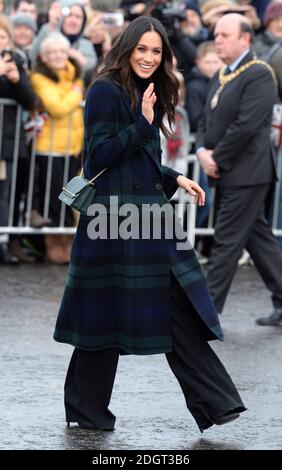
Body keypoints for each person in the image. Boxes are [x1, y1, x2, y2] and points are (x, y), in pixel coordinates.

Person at [53, 15, 246, 432]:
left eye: (156, 51)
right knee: (101, 319)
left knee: (176, 304)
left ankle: (216, 402)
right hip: (113, 221)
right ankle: (87, 412)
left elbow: (140, 161)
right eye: (142, 49)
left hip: (147, 218)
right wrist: (141, 123)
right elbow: (98, 157)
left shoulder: (148, 90)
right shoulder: (105, 90)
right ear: (127, 48)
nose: (148, 57)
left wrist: (174, 177)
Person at [196, 13, 282, 326]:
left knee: (227, 240)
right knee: (257, 238)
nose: (217, 40)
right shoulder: (222, 73)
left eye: (225, 35)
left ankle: (205, 312)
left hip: (248, 171)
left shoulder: (259, 73)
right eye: (216, 34)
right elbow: (206, 119)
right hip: (228, 168)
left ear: (245, 39)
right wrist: (202, 150)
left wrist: (216, 158)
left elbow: (247, 124)